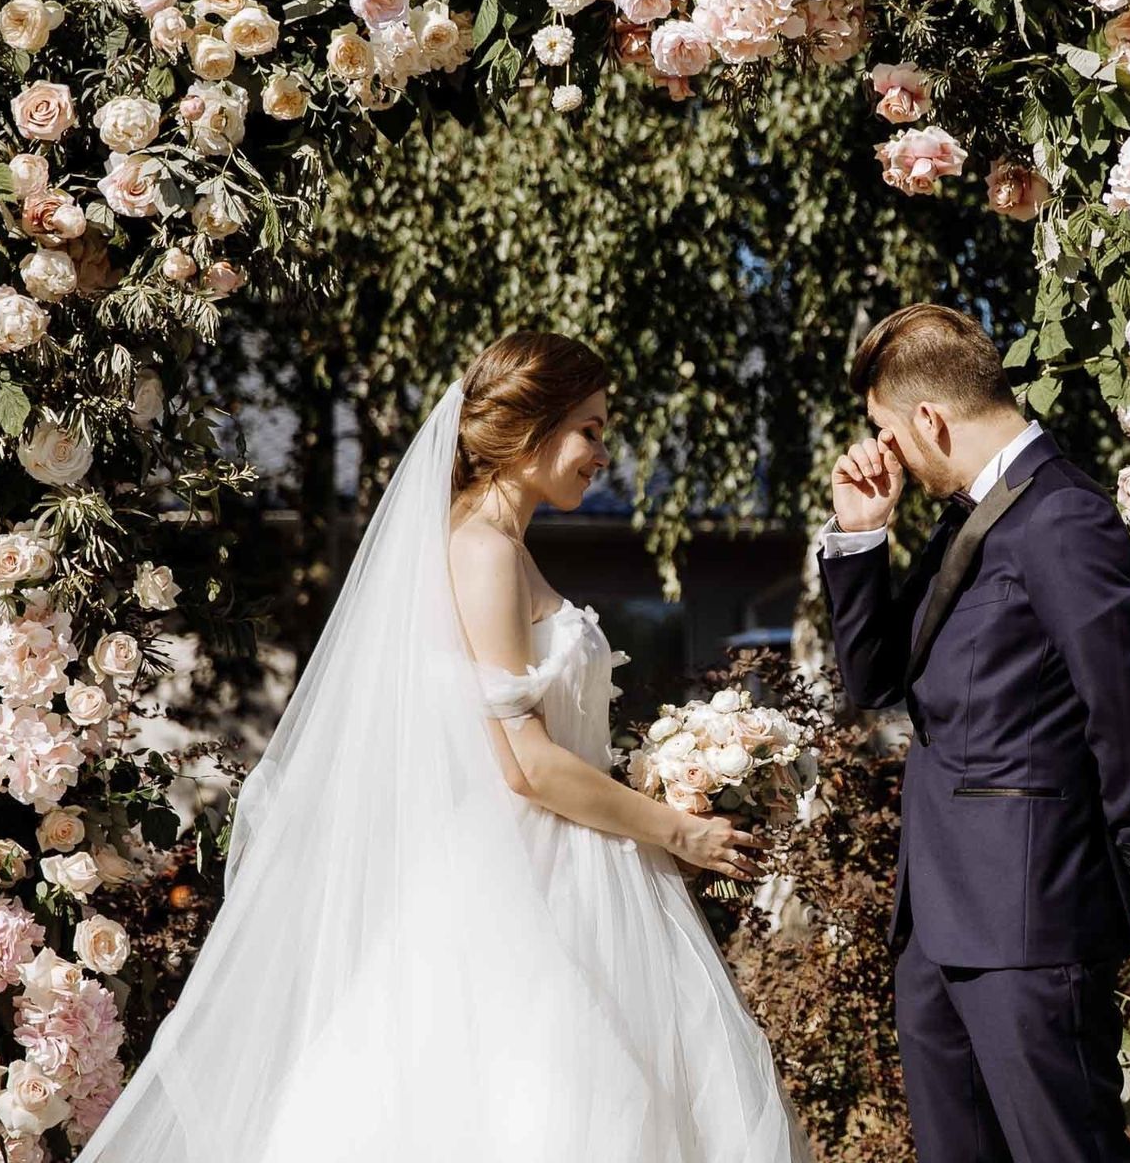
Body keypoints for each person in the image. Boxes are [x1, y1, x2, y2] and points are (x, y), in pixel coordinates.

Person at [76, 331, 810, 1162]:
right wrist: (678, 829)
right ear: (529, 430)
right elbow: (523, 763)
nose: (603, 453)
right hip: (529, 881)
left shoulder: (501, 547)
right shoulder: (483, 552)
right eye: (590, 430)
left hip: (575, 865)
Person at [818, 304, 1130, 1163]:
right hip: (936, 924)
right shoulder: (963, 521)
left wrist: (1108, 880)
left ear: (929, 420)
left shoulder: (1063, 518)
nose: (884, 450)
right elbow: (875, 681)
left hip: (1034, 923)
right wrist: (864, 536)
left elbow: (1126, 714)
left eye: (885, 432)